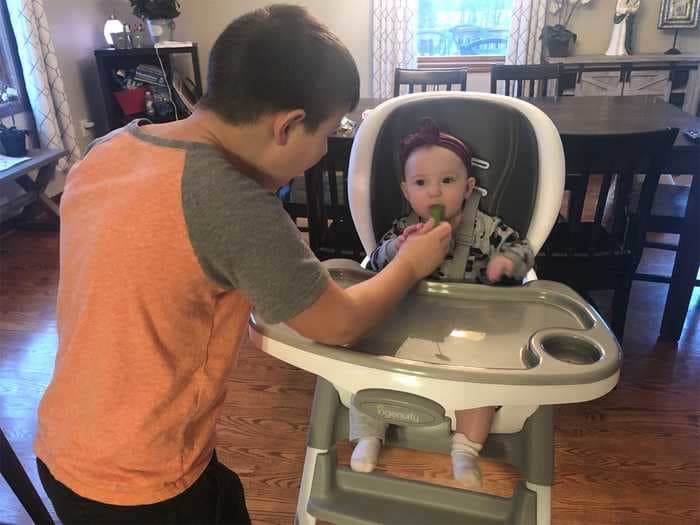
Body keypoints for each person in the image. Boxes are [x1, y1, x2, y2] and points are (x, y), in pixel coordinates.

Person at [34, 6, 451, 524]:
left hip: (62, 443)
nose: (322, 152)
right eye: (325, 135)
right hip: (143, 480)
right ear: (288, 126)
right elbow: (338, 322)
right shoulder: (231, 200)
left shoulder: (106, 151)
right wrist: (410, 264)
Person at [350, 117, 534, 489]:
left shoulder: (484, 228)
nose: (434, 193)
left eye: (447, 181)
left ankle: (465, 452)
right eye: (421, 183)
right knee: (366, 370)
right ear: (407, 191)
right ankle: (369, 436)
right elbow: (375, 261)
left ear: (468, 188)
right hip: (409, 326)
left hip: (471, 333)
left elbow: (524, 248)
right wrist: (397, 250)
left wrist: (508, 261)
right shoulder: (405, 229)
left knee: (481, 388)